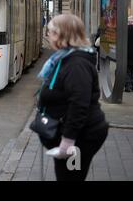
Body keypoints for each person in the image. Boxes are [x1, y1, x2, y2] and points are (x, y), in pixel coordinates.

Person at [37, 14, 108, 181]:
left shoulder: (77, 64)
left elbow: (79, 105)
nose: (48, 36)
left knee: (70, 179)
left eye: (51, 32)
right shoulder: (65, 57)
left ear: (64, 35)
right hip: (72, 136)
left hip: (79, 139)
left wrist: (67, 143)